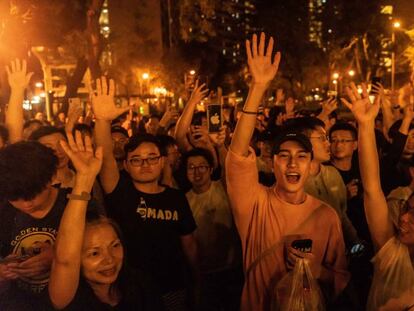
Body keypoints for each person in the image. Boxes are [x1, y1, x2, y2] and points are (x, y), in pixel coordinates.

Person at [226, 32, 349, 311]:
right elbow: (236, 155)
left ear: (310, 165)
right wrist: (257, 87)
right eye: (284, 156)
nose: (293, 164)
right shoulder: (254, 203)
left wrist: (316, 271)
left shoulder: (327, 216)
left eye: (301, 157)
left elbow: (341, 278)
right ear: (272, 162)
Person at [93, 77, 198, 310]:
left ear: (162, 162)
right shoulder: (119, 191)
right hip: (130, 290)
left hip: (172, 285)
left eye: (152, 158)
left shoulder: (175, 197)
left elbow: (188, 244)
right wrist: (102, 120)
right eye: (136, 160)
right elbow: (106, 157)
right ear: (127, 165)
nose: (145, 164)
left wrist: (196, 278)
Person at [48, 132, 163, 310]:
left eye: (115, 245)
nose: (109, 259)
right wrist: (84, 179)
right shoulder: (69, 299)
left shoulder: (142, 287)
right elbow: (64, 261)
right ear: (75, 257)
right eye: (94, 253)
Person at [343, 83, 414, 310]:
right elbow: (373, 188)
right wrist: (365, 125)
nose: (403, 218)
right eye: (407, 209)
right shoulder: (391, 253)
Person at [0, 141, 69, 310]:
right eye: (15, 198)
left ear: (51, 178)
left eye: (33, 194)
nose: (26, 204)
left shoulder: (74, 204)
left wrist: (58, 257)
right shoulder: (4, 210)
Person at [285, 116, 360, 247]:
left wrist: (356, 244)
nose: (328, 144)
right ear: (302, 142)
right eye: (322, 138)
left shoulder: (333, 174)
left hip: (338, 253)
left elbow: (341, 215)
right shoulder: (291, 182)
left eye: (327, 138)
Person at [183, 144, 243, 310]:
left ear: (210, 169)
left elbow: (229, 168)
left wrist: (218, 145)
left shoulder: (223, 188)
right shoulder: (183, 201)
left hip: (232, 268)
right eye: (191, 167)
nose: (197, 172)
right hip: (204, 273)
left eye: (202, 166)